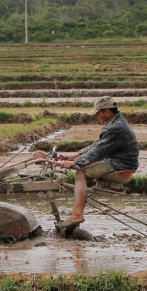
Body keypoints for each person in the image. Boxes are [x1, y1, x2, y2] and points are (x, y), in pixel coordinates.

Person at [45, 96, 139, 233]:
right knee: (83, 171)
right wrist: (75, 155)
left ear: (107, 112)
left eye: (98, 113)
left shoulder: (116, 128)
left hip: (122, 166)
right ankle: (77, 216)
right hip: (119, 162)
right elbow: (97, 145)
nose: (97, 116)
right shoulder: (116, 122)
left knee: (80, 172)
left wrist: (74, 163)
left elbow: (98, 151)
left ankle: (77, 215)